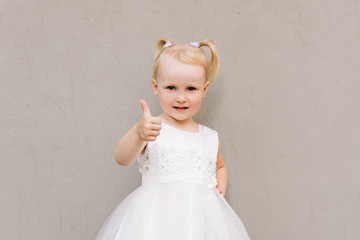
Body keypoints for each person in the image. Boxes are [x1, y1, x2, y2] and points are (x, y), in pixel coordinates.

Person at [96, 38, 251, 240]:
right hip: (156, 222)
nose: (181, 97)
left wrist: (220, 185)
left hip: (201, 223)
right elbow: (122, 158)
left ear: (204, 90)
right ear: (156, 87)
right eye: (171, 88)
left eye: (191, 89)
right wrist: (138, 133)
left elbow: (220, 166)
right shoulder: (152, 128)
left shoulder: (210, 137)